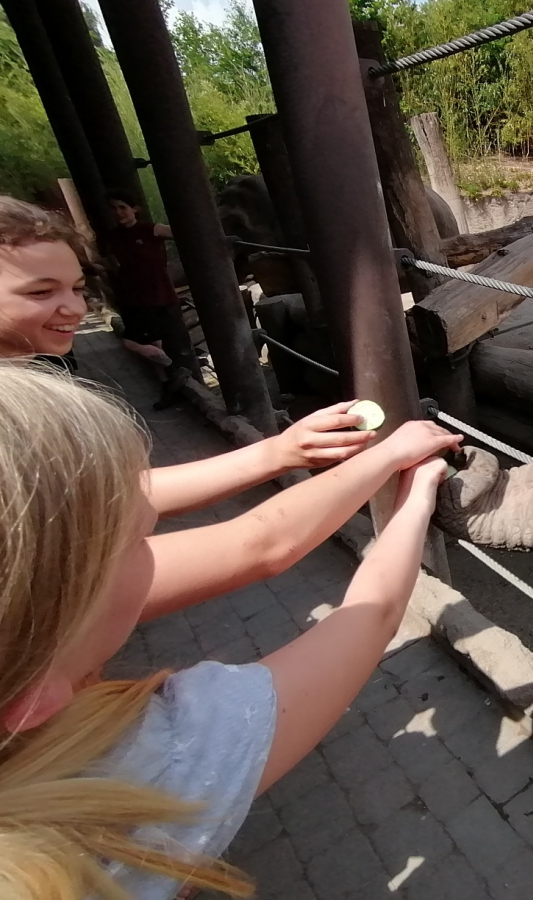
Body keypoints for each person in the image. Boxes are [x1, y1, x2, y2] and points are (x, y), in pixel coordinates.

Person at [0, 361, 455, 899]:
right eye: (137, 547)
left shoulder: (37, 635)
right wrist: (419, 488)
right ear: (35, 696)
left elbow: (256, 544)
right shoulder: (150, 764)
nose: (157, 552)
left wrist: (287, 455)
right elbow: (371, 609)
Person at [0, 194, 380, 520]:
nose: (75, 309)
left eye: (78, 288)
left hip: (161, 297)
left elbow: (125, 496)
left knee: (174, 348)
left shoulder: (39, 374)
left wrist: (283, 451)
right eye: (40, 293)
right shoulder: (18, 416)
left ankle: (179, 376)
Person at [102, 189, 195, 409]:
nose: (118, 212)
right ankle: (171, 378)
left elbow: (181, 232)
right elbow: (113, 267)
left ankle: (170, 380)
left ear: (135, 209)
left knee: (148, 343)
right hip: (134, 297)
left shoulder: (149, 230)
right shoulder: (113, 237)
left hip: (158, 294)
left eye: (122, 207)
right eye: (114, 208)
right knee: (144, 344)